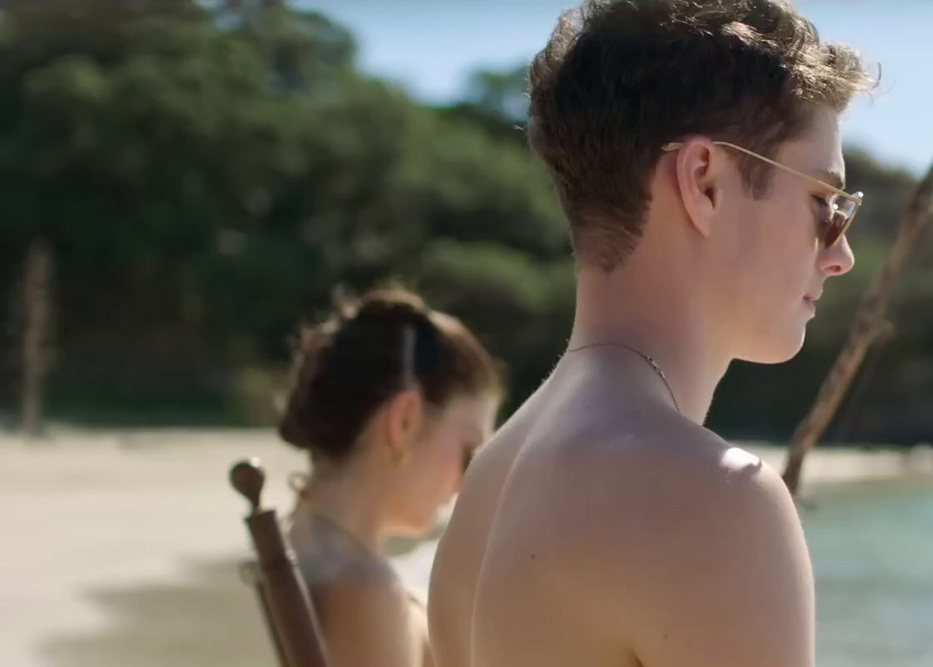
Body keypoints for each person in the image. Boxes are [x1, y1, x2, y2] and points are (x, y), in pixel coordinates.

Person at [427, 1, 873, 666]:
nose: (841, 256)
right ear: (705, 183)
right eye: (825, 205)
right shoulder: (715, 499)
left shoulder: (491, 480)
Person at [278, 287, 502, 667]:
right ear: (404, 421)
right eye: (469, 453)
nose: (467, 484)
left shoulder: (307, 543)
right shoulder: (364, 592)